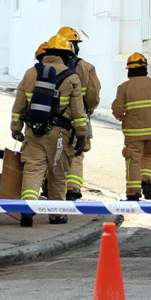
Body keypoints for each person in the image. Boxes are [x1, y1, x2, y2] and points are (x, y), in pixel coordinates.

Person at [10, 35, 88, 226]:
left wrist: (16, 128)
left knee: (33, 169)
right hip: (60, 134)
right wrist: (82, 136)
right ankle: (56, 214)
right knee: (57, 173)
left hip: (33, 131)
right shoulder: (71, 78)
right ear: (65, 55)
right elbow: (79, 113)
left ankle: (27, 207)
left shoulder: (30, 74)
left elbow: (19, 106)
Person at [111, 52, 151, 201]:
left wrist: (121, 117)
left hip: (133, 134)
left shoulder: (124, 87)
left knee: (133, 160)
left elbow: (117, 110)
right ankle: (146, 180)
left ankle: (133, 192)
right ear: (145, 68)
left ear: (129, 70)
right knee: (150, 156)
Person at [57, 26, 101, 201]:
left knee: (53, 151)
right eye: (77, 44)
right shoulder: (86, 67)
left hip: (54, 117)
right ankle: (73, 187)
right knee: (76, 151)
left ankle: (50, 185)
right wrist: (89, 108)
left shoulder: (47, 66)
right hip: (79, 117)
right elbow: (93, 95)